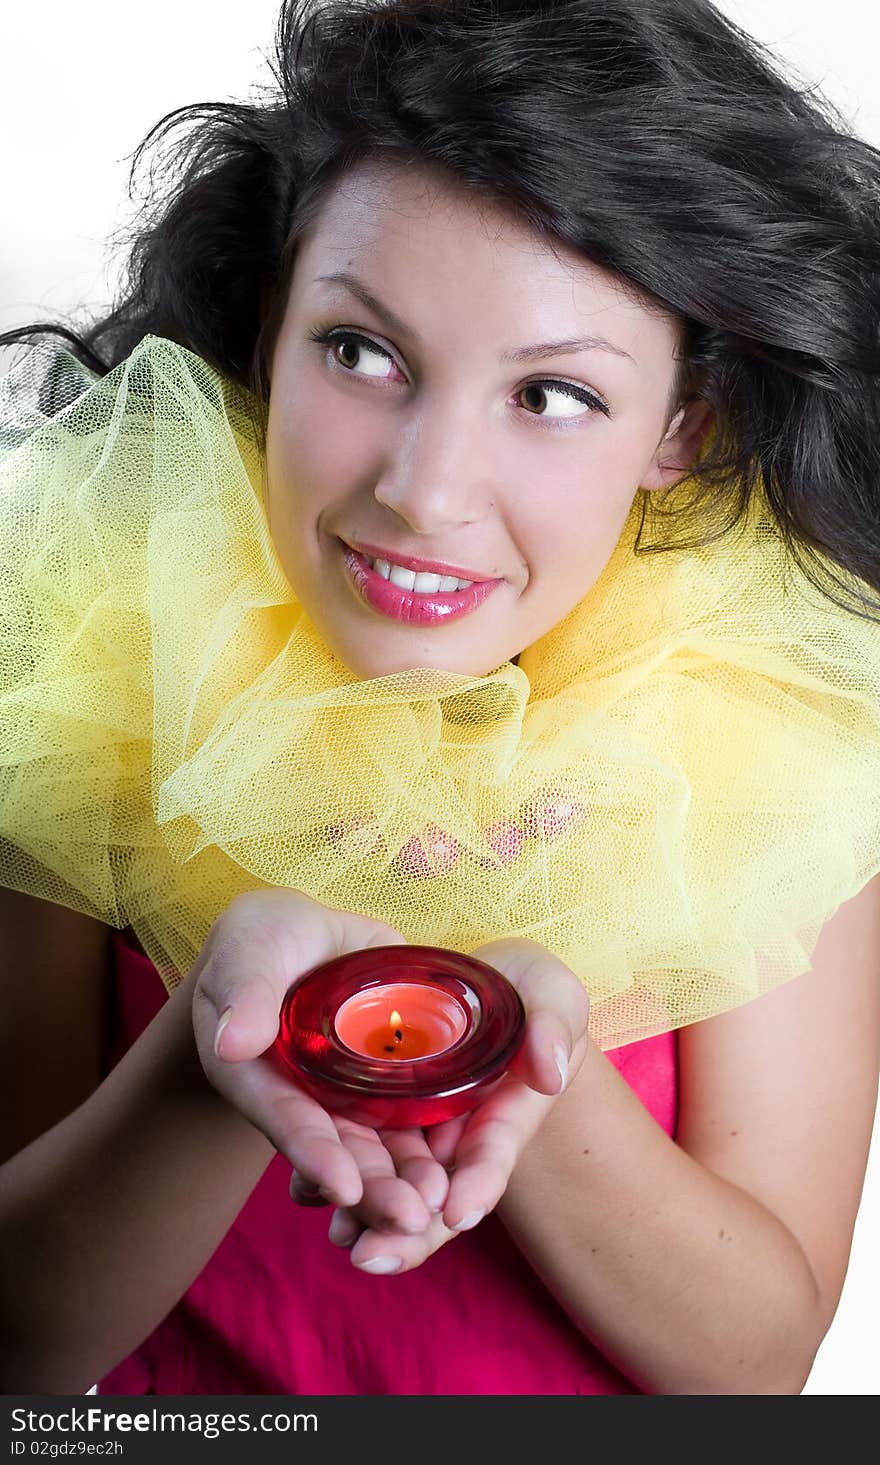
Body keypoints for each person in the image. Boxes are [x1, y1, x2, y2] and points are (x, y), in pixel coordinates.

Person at [1, 0, 880, 1397]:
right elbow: (18, 1350)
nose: (422, 489)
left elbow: (756, 1366)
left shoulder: (766, 731)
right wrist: (215, 1042)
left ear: (681, 430)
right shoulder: (98, 660)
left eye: (552, 396)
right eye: (360, 351)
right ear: (271, 326)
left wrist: (527, 1066)